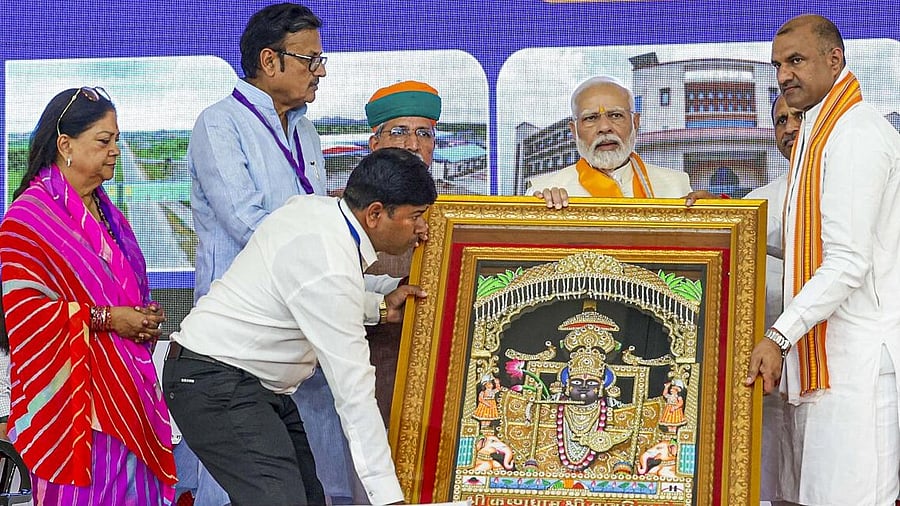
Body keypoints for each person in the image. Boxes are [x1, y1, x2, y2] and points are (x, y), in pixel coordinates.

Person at [186, 4, 419, 504]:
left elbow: (327, 239)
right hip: (239, 343)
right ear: (270, 61)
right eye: (311, 60)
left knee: (312, 486)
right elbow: (258, 231)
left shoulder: (308, 131)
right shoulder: (219, 125)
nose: (322, 71)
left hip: (292, 347)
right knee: (240, 490)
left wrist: (376, 293)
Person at [163, 148, 436, 505]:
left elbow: (315, 292)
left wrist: (386, 295)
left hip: (244, 384)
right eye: (415, 216)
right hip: (215, 382)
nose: (421, 229)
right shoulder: (327, 258)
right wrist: (388, 498)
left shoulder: (317, 213)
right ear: (374, 214)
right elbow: (353, 391)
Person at [744, 14, 900, 505]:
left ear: (835, 59)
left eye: (796, 61)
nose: (785, 74)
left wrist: (777, 335)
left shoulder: (855, 133)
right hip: (828, 366)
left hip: (856, 369)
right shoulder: (820, 134)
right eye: (778, 65)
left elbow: (848, 262)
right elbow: (782, 239)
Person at [0, 87, 173, 503]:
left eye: (116, 139)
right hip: (72, 408)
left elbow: (121, 289)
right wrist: (112, 319)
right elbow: (28, 319)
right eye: (104, 140)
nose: (115, 150)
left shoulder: (109, 214)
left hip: (128, 393)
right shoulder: (26, 220)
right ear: (66, 145)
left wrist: (141, 316)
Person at [363, 80, 441, 422]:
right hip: (364, 368)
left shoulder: (459, 207)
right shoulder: (341, 206)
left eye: (424, 134)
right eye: (399, 131)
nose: (413, 145)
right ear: (374, 143)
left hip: (438, 371)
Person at [744, 93, 801, 505]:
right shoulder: (757, 202)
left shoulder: (856, 185)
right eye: (780, 121)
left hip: (834, 374)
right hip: (770, 379)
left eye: (798, 117)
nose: (789, 128)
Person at [526, 76, 692, 207]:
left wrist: (714, 214)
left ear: (635, 122)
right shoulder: (543, 192)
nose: (604, 127)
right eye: (591, 118)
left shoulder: (677, 187)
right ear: (574, 131)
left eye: (616, 115)